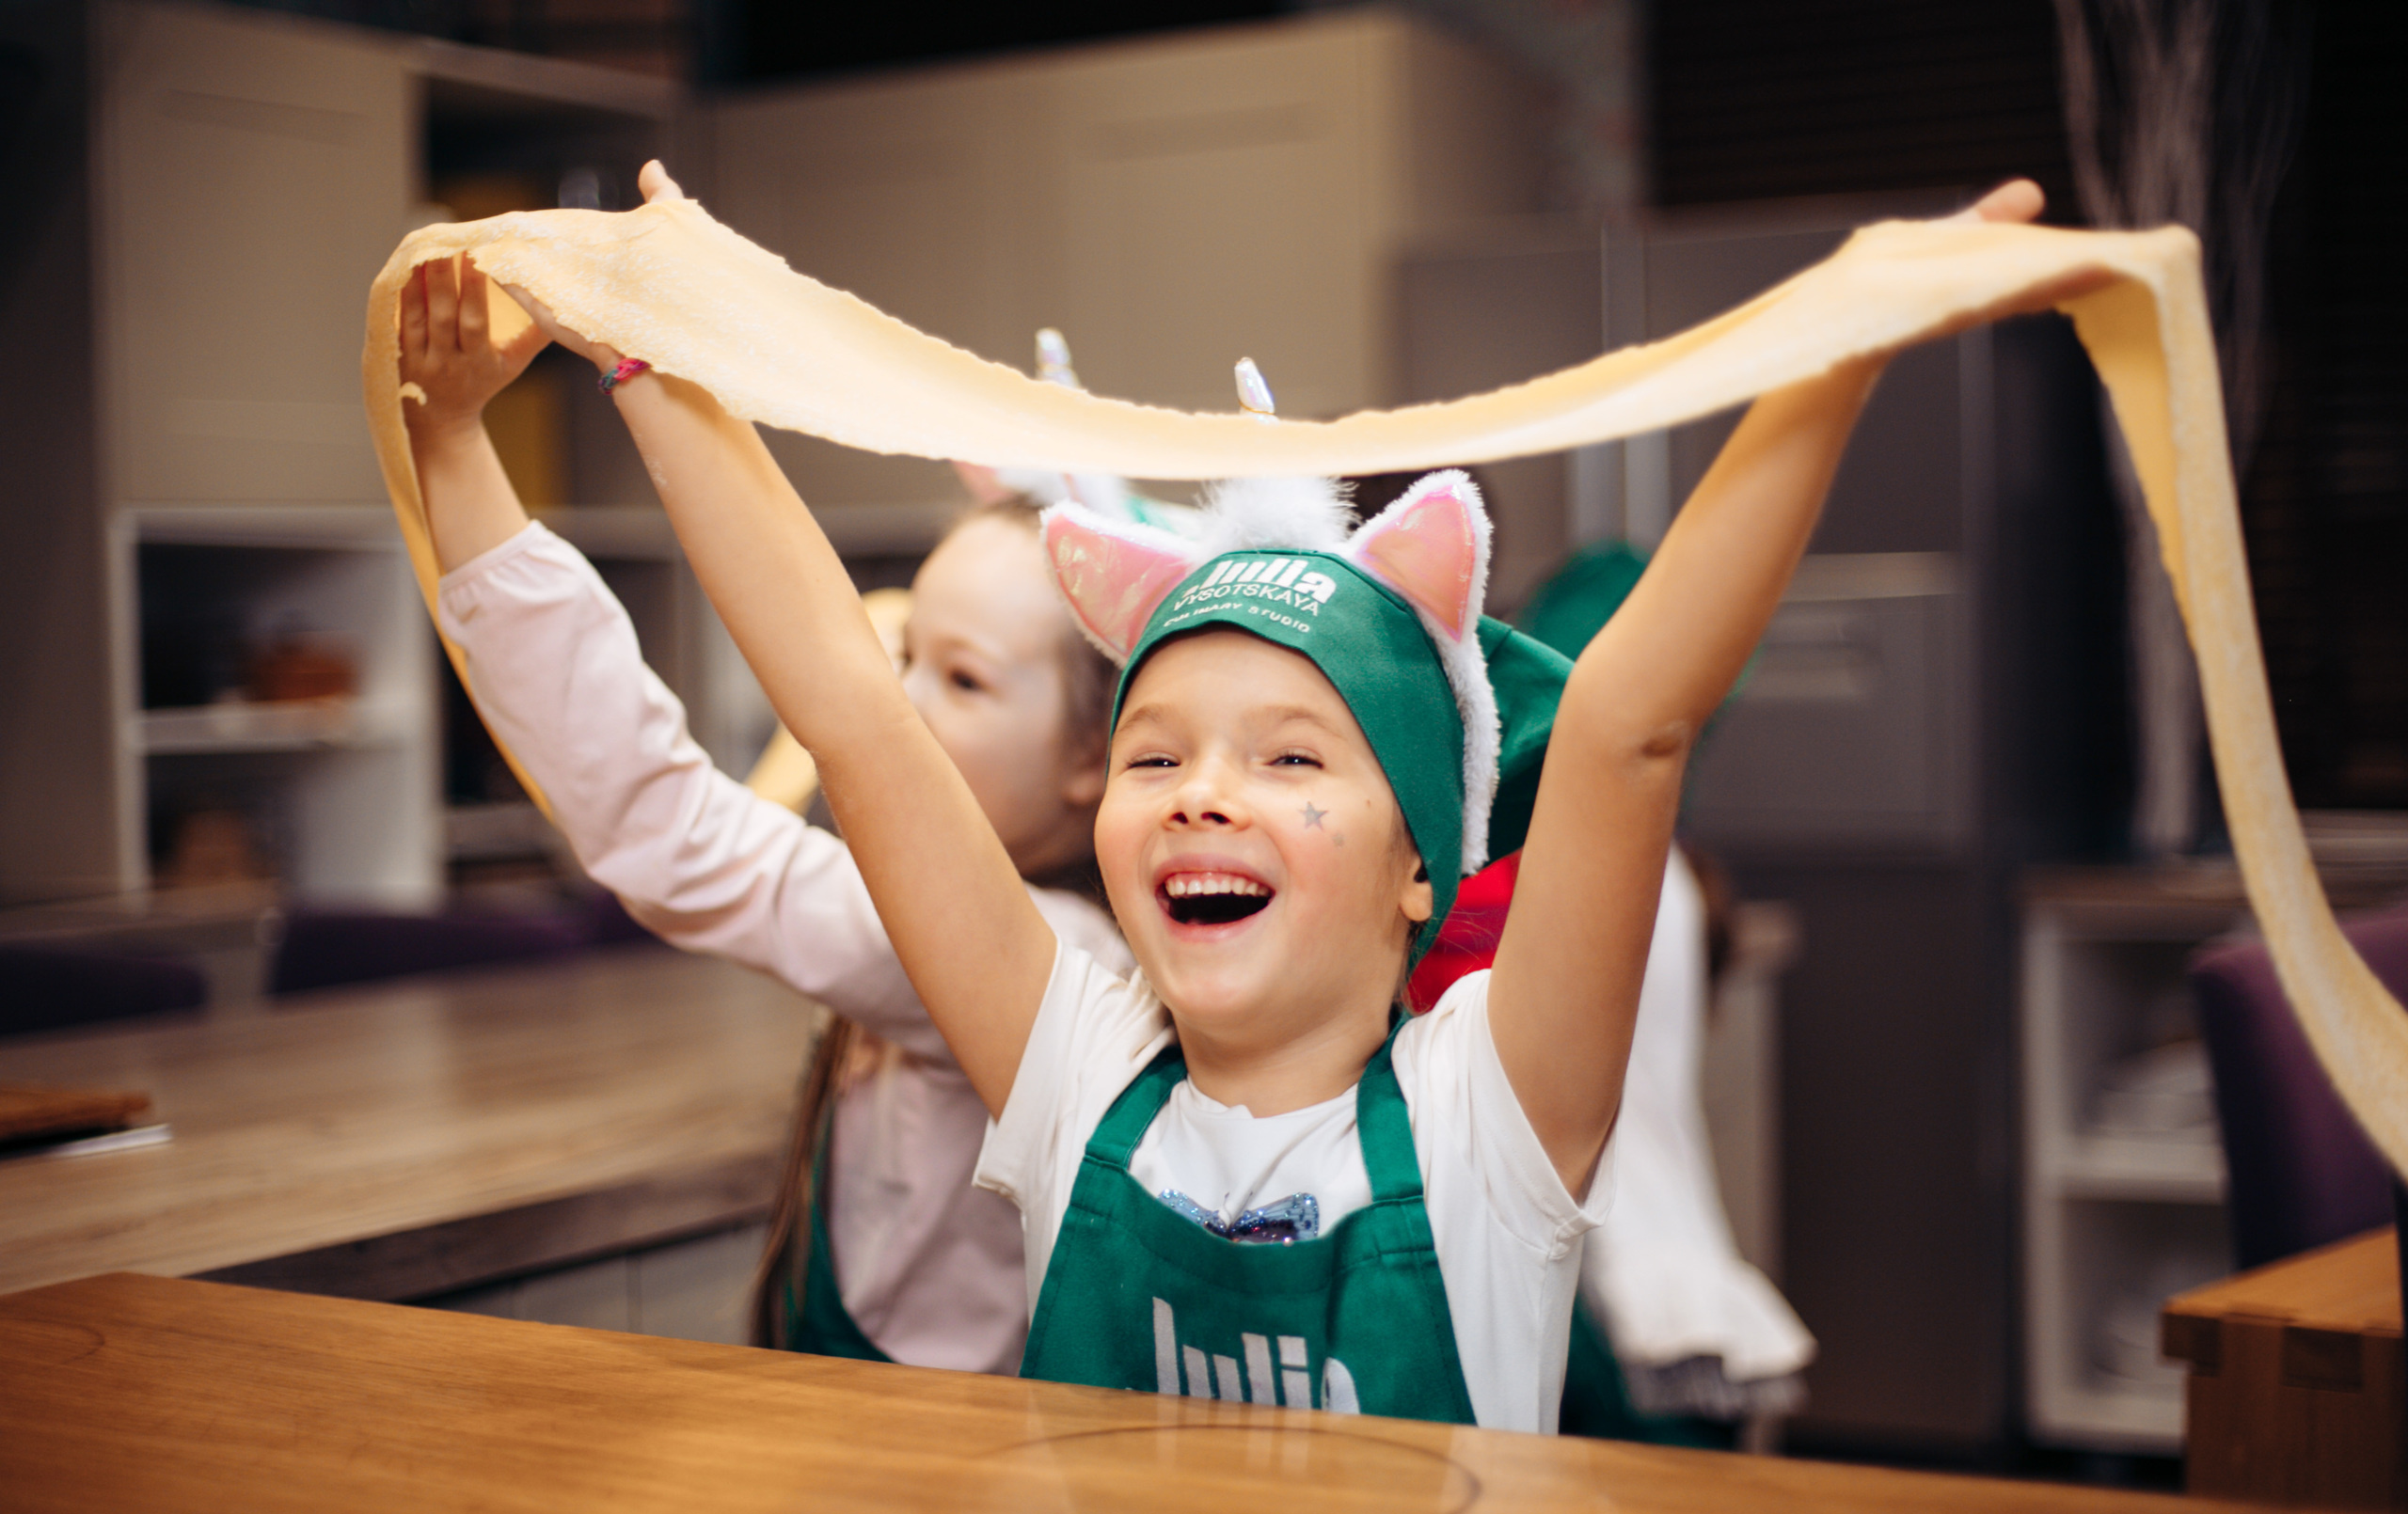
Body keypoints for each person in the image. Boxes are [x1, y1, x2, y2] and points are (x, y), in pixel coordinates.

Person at [507, 160, 2055, 1431]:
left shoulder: (1486, 1122)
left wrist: (1851, 343)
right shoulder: (1072, 1074)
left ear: (1415, 876)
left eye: (1291, 757)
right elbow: (856, 715)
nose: (1199, 795)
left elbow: (1629, 728)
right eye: (1156, 753)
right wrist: (649, 351)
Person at [398, 260, 1130, 1375]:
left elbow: (668, 824)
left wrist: (456, 449)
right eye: (905, 659)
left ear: (1094, 755)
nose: (900, 706)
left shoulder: (1047, 954)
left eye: (965, 681)